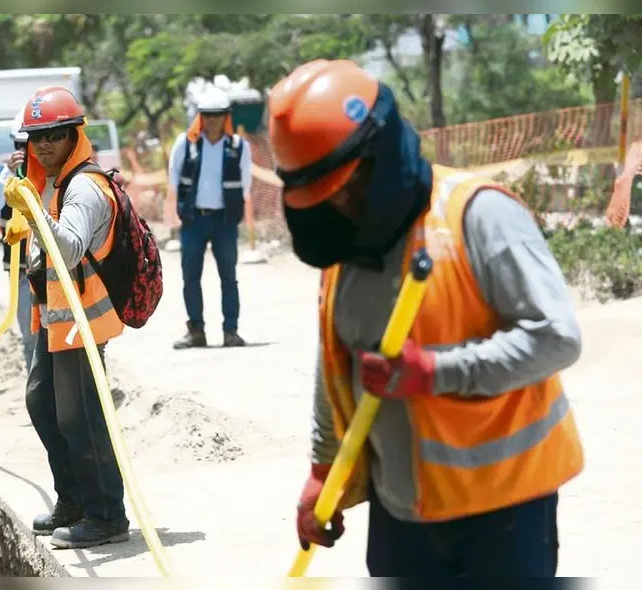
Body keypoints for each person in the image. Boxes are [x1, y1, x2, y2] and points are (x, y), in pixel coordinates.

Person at [269, 59, 584, 578]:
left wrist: (436, 372)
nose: (341, 207)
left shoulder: (478, 216)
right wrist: (325, 473)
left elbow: (556, 338)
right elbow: (336, 369)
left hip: (505, 514)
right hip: (402, 516)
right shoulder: (342, 253)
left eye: (347, 189)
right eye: (326, 197)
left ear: (379, 154)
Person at [2, 85, 129, 549]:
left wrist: (33, 215)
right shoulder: (53, 183)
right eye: (36, 138)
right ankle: (73, 500)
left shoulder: (85, 187)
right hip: (56, 318)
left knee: (81, 418)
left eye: (54, 135)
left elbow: (71, 246)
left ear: (75, 135)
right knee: (43, 404)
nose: (44, 145)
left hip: (83, 321)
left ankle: (105, 514)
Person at [166, 85, 252, 349]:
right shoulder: (186, 144)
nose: (213, 120)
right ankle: (196, 331)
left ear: (226, 116)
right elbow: (174, 178)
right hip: (194, 221)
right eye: (208, 115)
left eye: (218, 115)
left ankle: (231, 331)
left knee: (229, 276)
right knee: (190, 277)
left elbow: (245, 183)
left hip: (225, 221)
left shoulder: (238, 147)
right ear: (200, 116)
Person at [0, 108, 35, 371]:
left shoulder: (53, 175)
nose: (25, 152)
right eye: (19, 146)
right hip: (22, 273)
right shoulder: (1, 176)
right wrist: (10, 178)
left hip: (54, 272)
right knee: (30, 337)